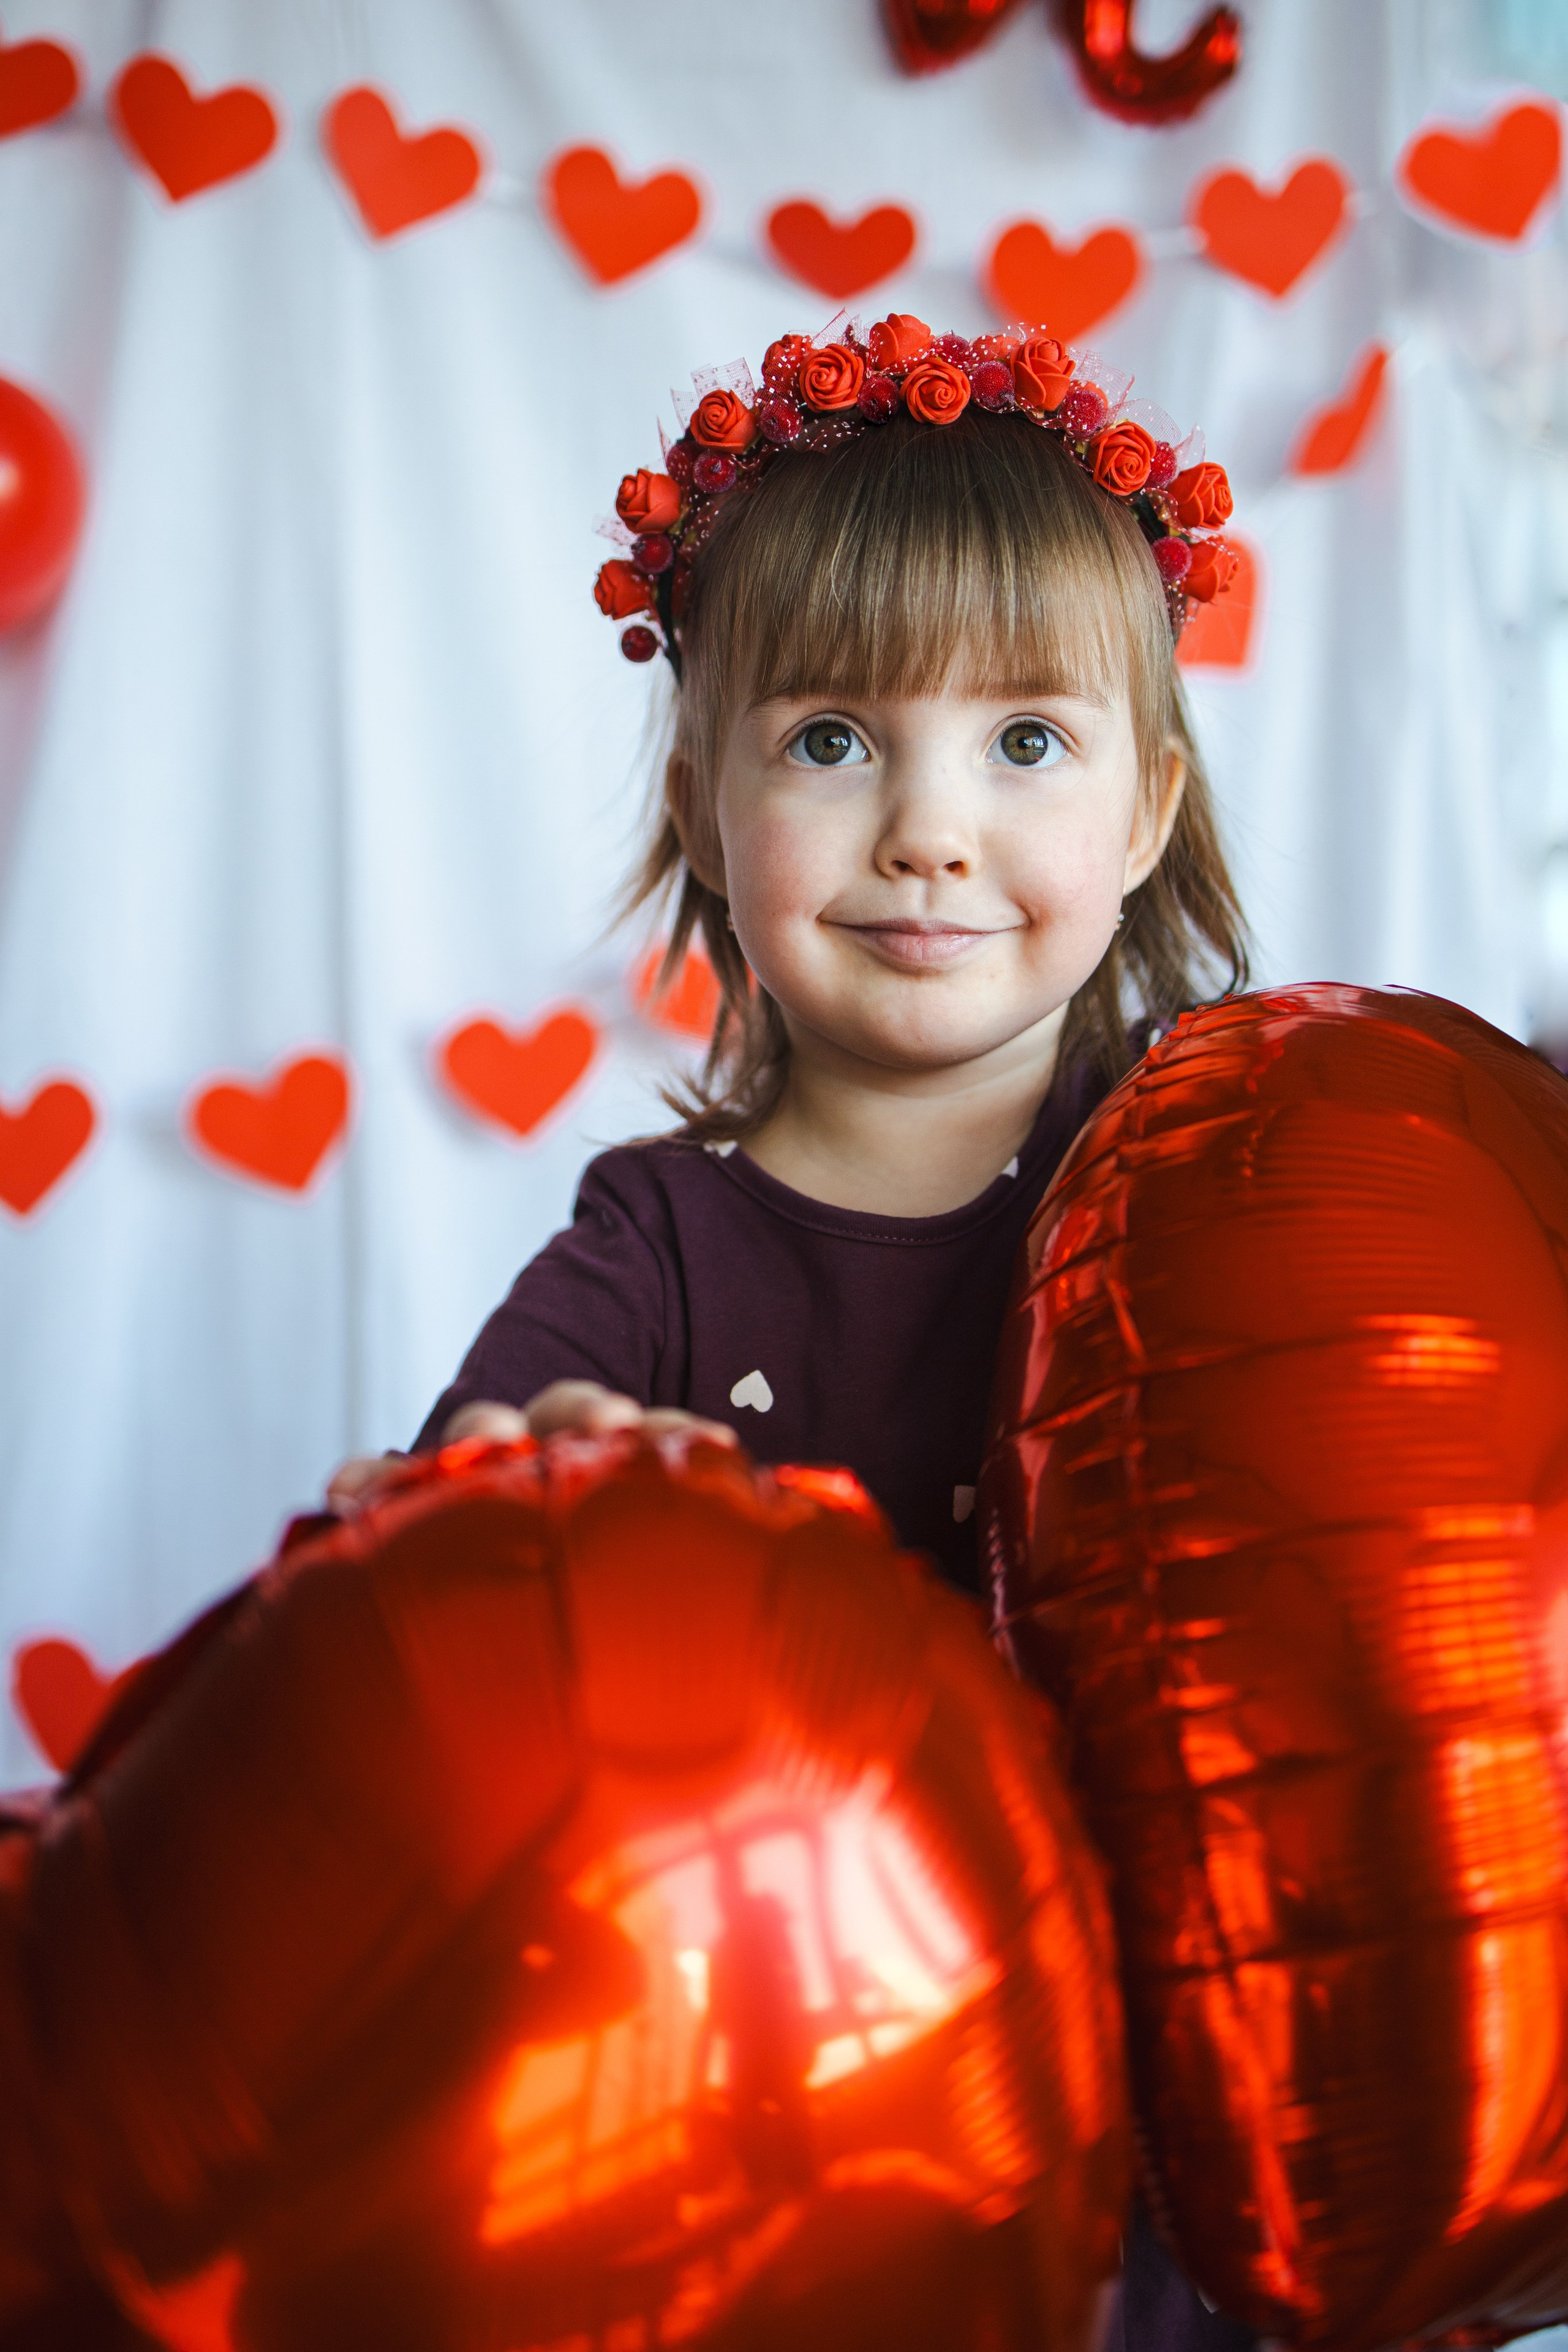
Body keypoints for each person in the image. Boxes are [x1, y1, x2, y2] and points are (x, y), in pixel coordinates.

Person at [331, 314, 1248, 1614]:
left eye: (1027, 741)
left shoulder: (1214, 1161)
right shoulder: (647, 1257)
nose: (928, 836)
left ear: (1146, 814)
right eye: (829, 741)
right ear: (702, 814)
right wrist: (523, 1478)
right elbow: (444, 1541)